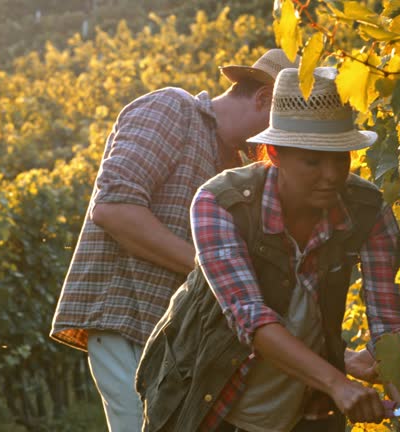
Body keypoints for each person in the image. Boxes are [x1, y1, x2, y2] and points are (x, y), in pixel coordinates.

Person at [135, 67, 400, 432]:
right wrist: (338, 384)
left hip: (303, 407)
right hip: (209, 396)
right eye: (313, 160)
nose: (331, 174)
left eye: (340, 157)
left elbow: (388, 322)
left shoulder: (367, 209)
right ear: (273, 153)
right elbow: (251, 318)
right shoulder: (219, 203)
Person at [50, 49, 298, 432]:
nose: (276, 145)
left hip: (177, 343)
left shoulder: (234, 169)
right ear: (264, 99)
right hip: (129, 319)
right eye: (279, 127)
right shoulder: (173, 109)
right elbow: (115, 209)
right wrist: (217, 270)